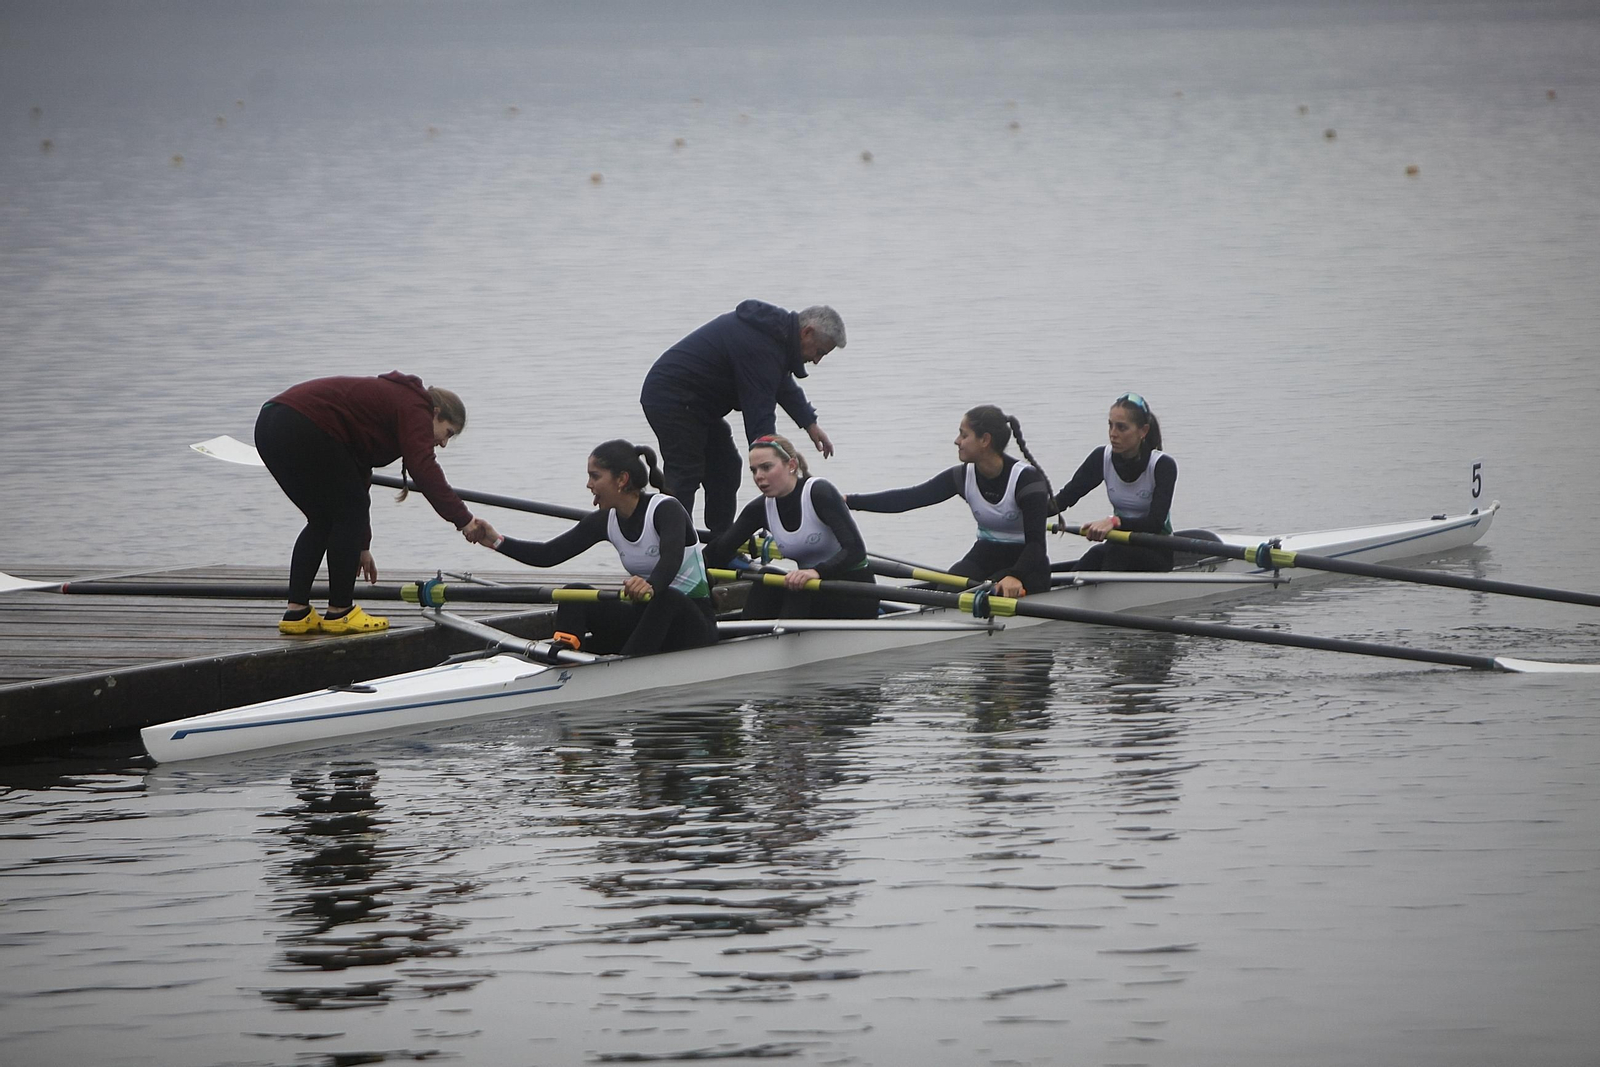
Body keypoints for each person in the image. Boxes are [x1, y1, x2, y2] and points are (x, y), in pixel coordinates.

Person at [254, 371, 483, 634]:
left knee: (323, 519)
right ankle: (340, 612)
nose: (443, 443)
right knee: (346, 513)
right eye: (447, 433)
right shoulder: (415, 407)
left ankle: (297, 613)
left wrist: (361, 545)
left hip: (271, 422)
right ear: (436, 412)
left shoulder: (397, 406)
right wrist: (464, 521)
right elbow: (423, 470)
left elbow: (358, 475)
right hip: (302, 422)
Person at [466, 440, 718, 656]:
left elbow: (670, 559)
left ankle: (624, 670)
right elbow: (548, 554)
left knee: (665, 597)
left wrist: (651, 584)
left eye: (595, 476)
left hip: (692, 623)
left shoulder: (666, 509)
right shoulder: (605, 519)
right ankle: (564, 660)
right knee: (574, 593)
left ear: (622, 480)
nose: (589, 484)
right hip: (647, 622)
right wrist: (496, 540)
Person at [639, 300, 846, 537]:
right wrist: (774, 461)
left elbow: (779, 383)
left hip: (696, 406)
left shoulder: (775, 336)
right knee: (686, 471)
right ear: (806, 332)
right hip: (670, 398)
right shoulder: (761, 346)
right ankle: (669, 546)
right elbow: (760, 416)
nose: (817, 360)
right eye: (819, 351)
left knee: (726, 468)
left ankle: (721, 541)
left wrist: (810, 424)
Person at [845, 405, 1052, 597]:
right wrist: (848, 501)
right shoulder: (962, 476)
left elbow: (1036, 544)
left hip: (1028, 565)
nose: (957, 441)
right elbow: (908, 498)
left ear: (985, 440)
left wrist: (1016, 576)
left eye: (964, 435)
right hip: (984, 555)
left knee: (986, 592)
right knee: (946, 590)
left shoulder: (1027, 481)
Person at [703, 434, 878, 619]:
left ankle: (778, 641)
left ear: (792, 465)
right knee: (768, 577)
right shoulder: (761, 508)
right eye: (754, 470)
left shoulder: (819, 493)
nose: (758, 476)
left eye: (766, 467)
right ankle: (747, 638)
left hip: (854, 593)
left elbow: (855, 550)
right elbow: (720, 550)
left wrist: (816, 572)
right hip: (811, 590)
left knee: (796, 588)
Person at [1053, 392, 1177, 572]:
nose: (1113, 434)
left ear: (1143, 431)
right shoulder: (1101, 458)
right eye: (1110, 426)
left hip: (1157, 550)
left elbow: (1155, 523)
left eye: (1121, 428)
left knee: (1115, 556)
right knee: (1092, 558)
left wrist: (1115, 521)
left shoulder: (1162, 465)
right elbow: (1063, 500)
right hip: (1118, 545)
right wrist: (1026, 509)